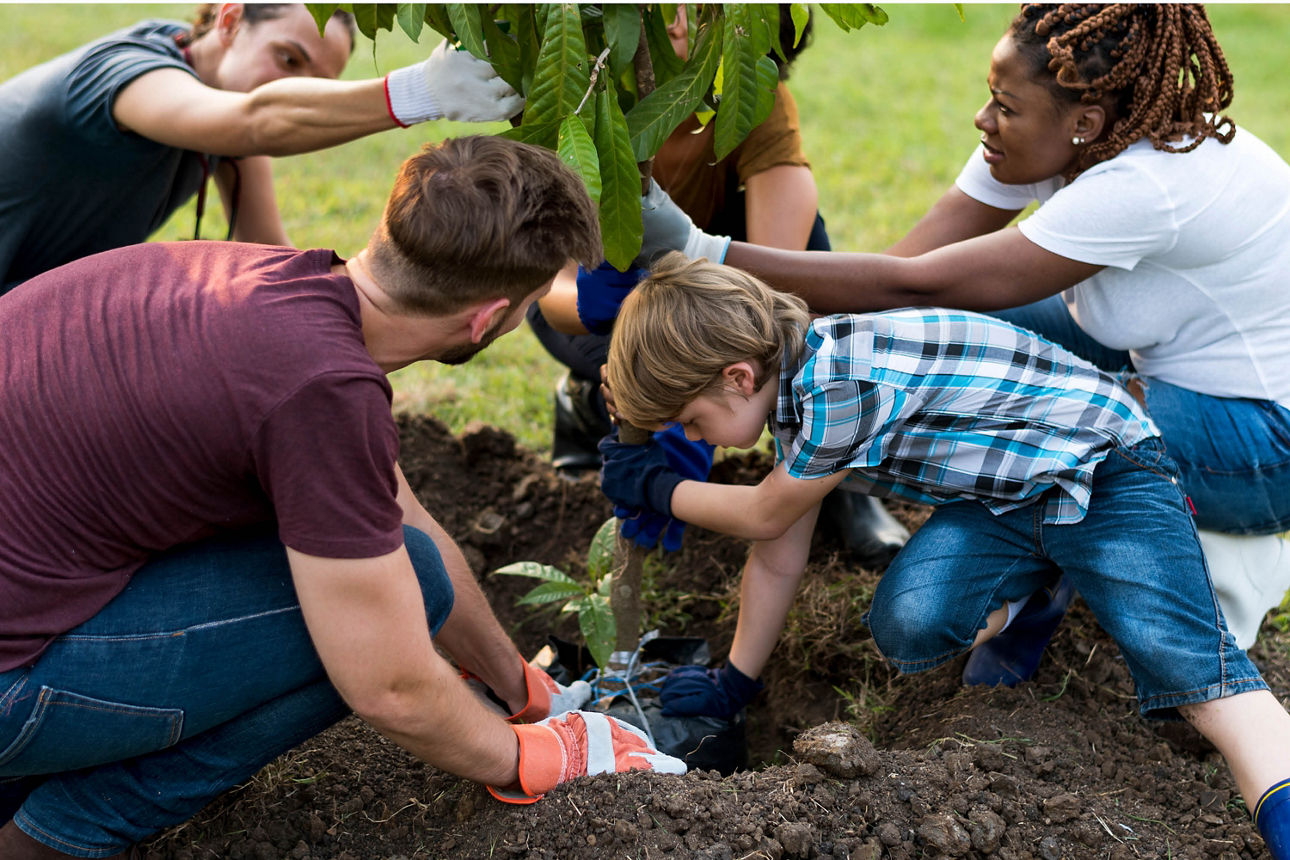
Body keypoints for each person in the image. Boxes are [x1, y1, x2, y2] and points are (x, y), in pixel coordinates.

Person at [0, 136, 685, 859]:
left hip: (32, 604)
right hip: (12, 684)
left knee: (395, 573)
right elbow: (389, 686)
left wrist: (526, 691)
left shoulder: (270, 285)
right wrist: (545, 757)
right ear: (488, 319)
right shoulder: (321, 391)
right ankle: (49, 842)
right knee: (381, 616)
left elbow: (399, 516)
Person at [632, 2, 1290, 661]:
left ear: (1085, 121)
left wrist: (701, 249)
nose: (984, 118)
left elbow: (920, 284)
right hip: (1154, 365)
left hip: (1261, 433)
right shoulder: (1056, 138)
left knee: (1048, 433)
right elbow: (897, 282)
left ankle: (1131, 539)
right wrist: (765, 368)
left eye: (1005, 106)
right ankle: (1061, 522)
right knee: (925, 349)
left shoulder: (1146, 183)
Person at [598, 253, 1290, 858]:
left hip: (1106, 472)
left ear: (740, 376)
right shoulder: (796, 402)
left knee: (1197, 676)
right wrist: (735, 684)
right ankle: (1042, 588)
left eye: (693, 423)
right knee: (909, 627)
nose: (704, 443)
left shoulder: (841, 380)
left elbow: (764, 511)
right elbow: (777, 550)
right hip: (1005, 501)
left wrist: (659, 488)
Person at [529, 3, 909, 566]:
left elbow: (778, 277)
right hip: (607, 308)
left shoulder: (747, 91)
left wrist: (701, 366)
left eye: (698, 6)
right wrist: (596, 308)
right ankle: (590, 401)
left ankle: (835, 478)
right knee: (626, 359)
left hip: (721, 303)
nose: (675, 19)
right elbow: (542, 290)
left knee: (810, 257)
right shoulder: (578, 99)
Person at [0, 2, 524, 292]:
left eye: (318, 82)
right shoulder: (131, 75)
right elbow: (257, 120)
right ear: (229, 20)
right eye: (288, 61)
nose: (297, 87)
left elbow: (268, 253)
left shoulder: (219, 97)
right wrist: (420, 92)